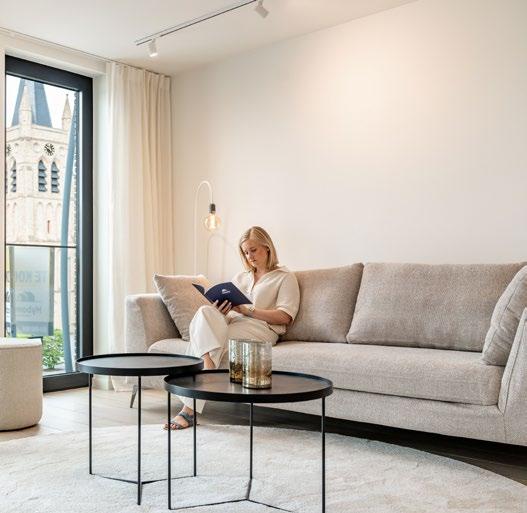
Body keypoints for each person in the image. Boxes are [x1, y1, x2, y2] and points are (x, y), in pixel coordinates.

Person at [165, 226, 300, 430]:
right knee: (204, 312)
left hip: (261, 328)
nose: (249, 256)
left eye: (253, 250)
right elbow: (228, 312)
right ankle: (208, 366)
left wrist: (248, 310)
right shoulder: (241, 277)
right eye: (245, 252)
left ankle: (188, 410)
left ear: (267, 247)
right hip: (232, 321)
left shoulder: (284, 276)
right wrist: (222, 308)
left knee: (210, 339)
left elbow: (285, 316)